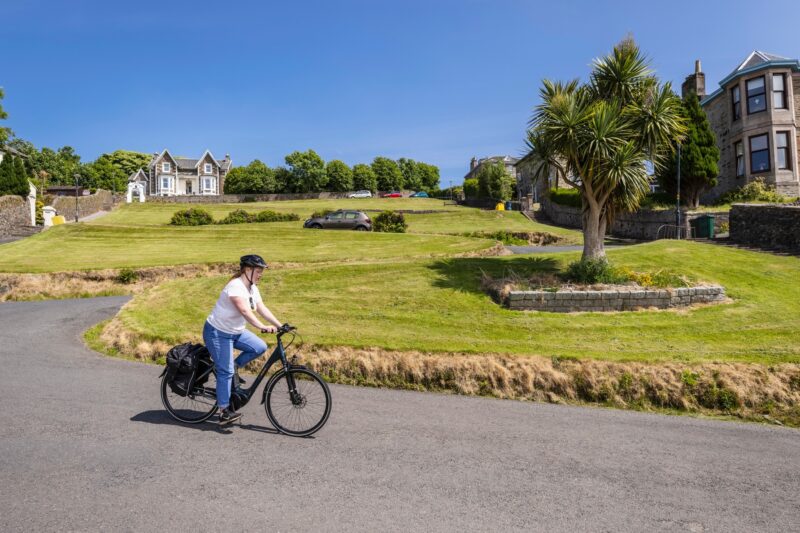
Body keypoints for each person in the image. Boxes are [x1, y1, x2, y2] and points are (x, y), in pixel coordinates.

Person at [203, 254, 283, 425]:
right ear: (247, 270)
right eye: (258, 270)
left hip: (235, 332)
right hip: (217, 333)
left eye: (262, 271)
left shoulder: (252, 288)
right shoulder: (235, 287)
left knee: (259, 347)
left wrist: (280, 325)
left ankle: (234, 369)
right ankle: (224, 411)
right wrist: (262, 327)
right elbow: (246, 312)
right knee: (226, 371)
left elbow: (261, 308)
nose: (261, 274)